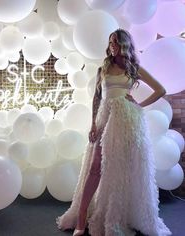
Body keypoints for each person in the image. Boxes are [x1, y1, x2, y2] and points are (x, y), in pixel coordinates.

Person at [56, 28, 172, 236]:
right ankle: (81, 220)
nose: (112, 46)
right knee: (94, 168)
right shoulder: (104, 67)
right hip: (104, 117)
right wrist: (93, 123)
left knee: (117, 170)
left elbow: (160, 89)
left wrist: (139, 104)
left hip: (126, 121)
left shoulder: (133, 67)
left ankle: (116, 215)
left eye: (116, 42)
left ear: (124, 44)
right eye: (110, 42)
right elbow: (96, 97)